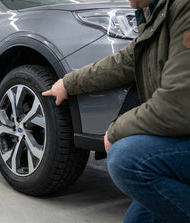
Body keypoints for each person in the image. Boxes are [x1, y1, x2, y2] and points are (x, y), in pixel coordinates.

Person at [42, 0, 190, 222]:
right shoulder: (152, 14)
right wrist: (68, 83)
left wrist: (115, 130)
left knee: (127, 158)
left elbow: (178, 103)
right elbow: (124, 62)